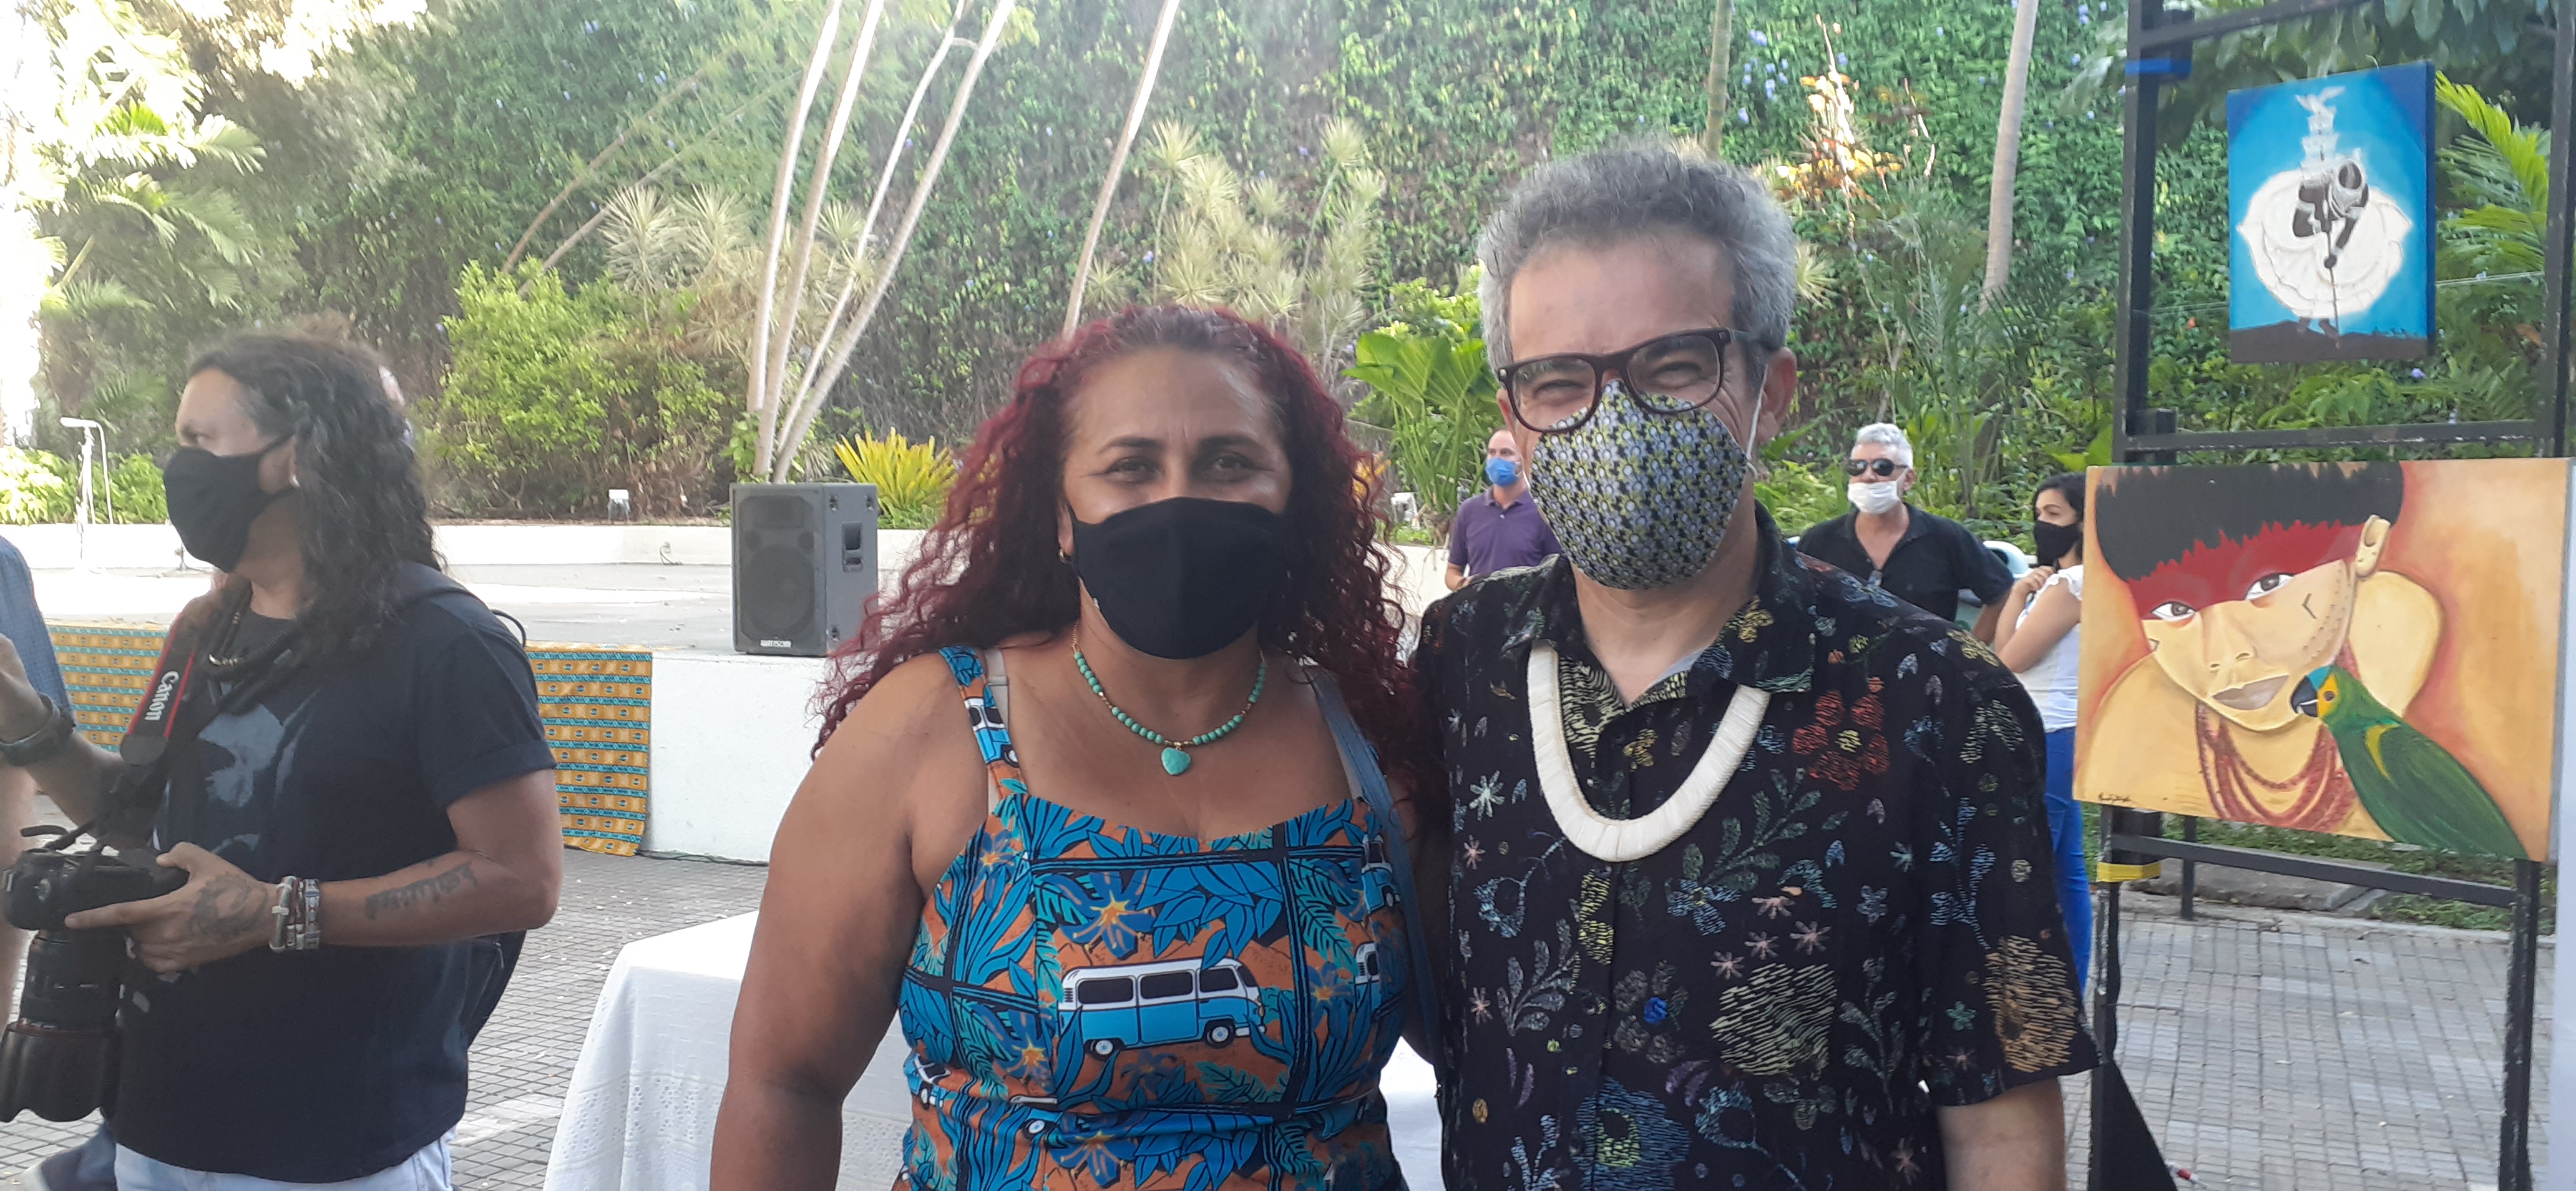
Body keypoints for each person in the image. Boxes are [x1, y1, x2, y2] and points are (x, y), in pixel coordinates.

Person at [1415, 145, 2094, 1189]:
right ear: (1514, 417)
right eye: (1559, 381)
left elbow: (2000, 1116)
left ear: (1771, 392)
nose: (1613, 419)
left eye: (1673, 367)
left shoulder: (1937, 701)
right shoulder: (1462, 664)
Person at [713, 306, 1437, 1190]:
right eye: (1131, 467)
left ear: (1295, 501)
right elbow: (783, 1082)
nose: (1178, 501)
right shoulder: (932, 731)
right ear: (1062, 517)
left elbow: (1484, 1039)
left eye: (1229, 463)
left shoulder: (1368, 742)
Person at [0, 333, 562, 1190]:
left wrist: (276, 912)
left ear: (294, 457)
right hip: (156, 1121)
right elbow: (135, 813)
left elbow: (524, 879)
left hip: (335, 1146)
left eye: (199, 441)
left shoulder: (448, 644)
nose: (177, 468)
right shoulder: (209, 626)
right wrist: (25, 719)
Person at [1988, 472, 2092, 989]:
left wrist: (2017, 600)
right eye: (2039, 514)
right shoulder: (2064, 582)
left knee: (2030, 869)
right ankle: (2071, 985)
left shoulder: (2071, 586)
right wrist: (2018, 596)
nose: (2042, 524)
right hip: (2060, 731)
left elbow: (2007, 661)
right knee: (2067, 873)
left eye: (2054, 514)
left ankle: (2033, 991)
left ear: (2084, 521)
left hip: (2047, 732)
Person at [1796, 423, 2015, 640]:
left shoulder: (1946, 537)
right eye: (1858, 467)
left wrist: (1969, 652)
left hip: (1926, 662)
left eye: (1882, 467)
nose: (1869, 476)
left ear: (1908, 479)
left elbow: (2002, 592)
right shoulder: (1819, 541)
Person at [1445, 426, 1564, 589]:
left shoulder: (1544, 512)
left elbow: (1559, 575)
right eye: (1492, 453)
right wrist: (1465, 584)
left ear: (1525, 459)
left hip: (1526, 604)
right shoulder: (1469, 510)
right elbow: (1453, 571)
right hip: (1480, 604)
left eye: (1506, 453)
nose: (1496, 459)